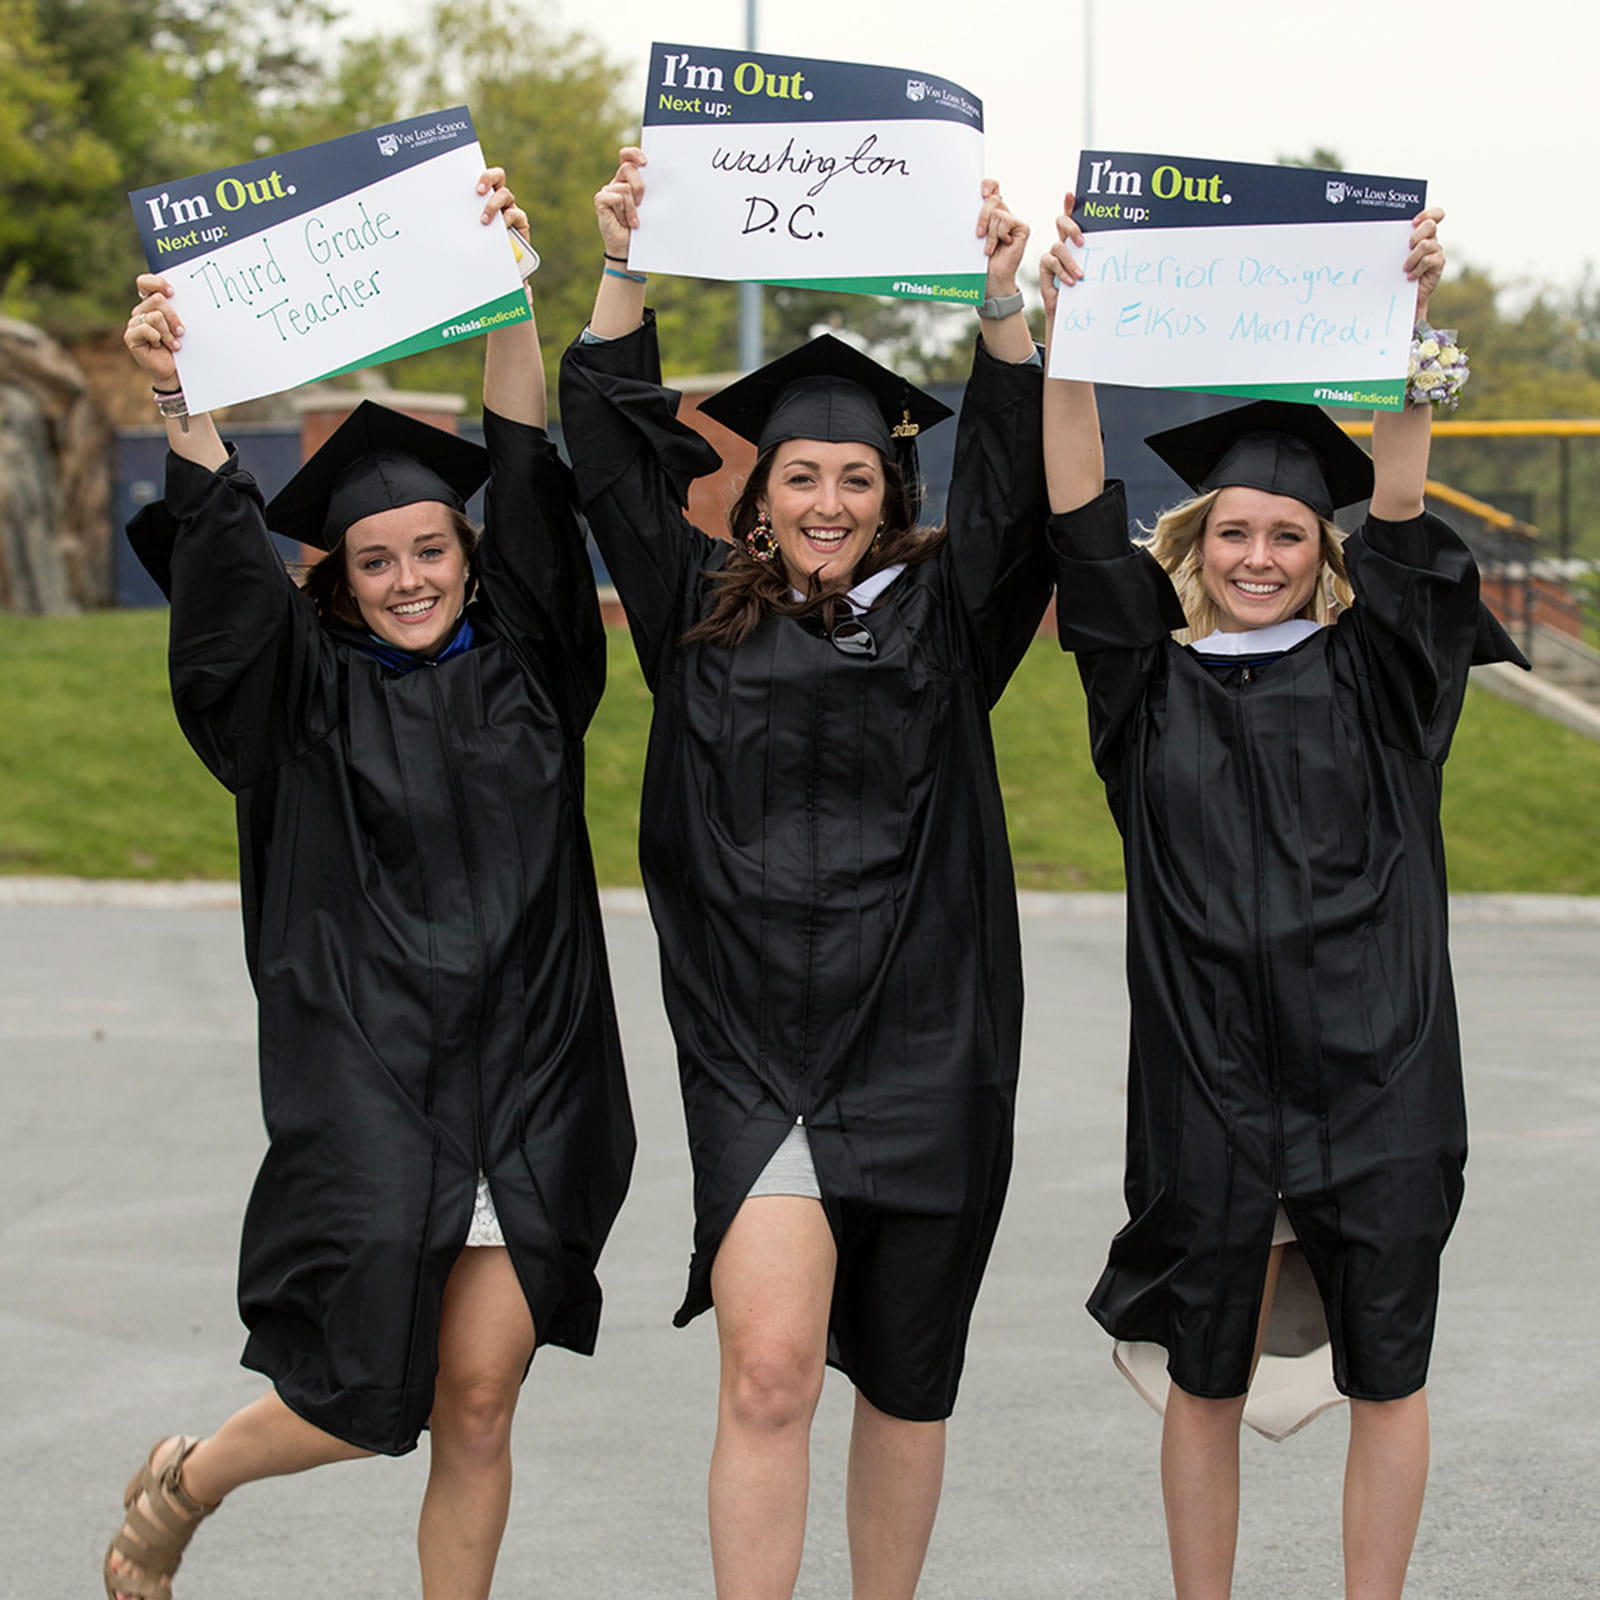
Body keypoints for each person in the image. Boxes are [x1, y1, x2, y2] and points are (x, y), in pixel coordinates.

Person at [103, 169, 634, 1600]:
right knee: (360, 1397)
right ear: (335, 576)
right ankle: (189, 1476)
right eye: (377, 559)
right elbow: (221, 584)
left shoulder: (535, 668)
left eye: (433, 551)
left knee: (477, 1399)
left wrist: (509, 292)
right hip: (371, 1083)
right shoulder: (294, 705)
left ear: (471, 558)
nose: (410, 578)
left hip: (535, 1076)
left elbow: (523, 459)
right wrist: (178, 397)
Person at [557, 148, 1049, 1599]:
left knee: (905, 1380)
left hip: (930, 1037)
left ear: (891, 489)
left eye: (855, 476)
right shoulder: (692, 613)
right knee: (770, 1371)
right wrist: (627, 263)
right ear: (754, 496)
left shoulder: (951, 617)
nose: (827, 500)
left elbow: (1019, 492)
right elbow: (603, 453)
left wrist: (1003, 302)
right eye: (798, 475)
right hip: (759, 1047)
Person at [1039, 201, 1526, 1597]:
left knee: (1389, 1371)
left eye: (1289, 537)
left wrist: (1413, 340)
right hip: (1208, 1086)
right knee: (1206, 1375)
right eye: (1236, 532)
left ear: (1324, 552)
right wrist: (1073, 333)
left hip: (1381, 1081)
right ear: (1199, 540)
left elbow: (1409, 508)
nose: (1260, 556)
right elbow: (1076, 517)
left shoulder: (1384, 681)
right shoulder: (1144, 685)